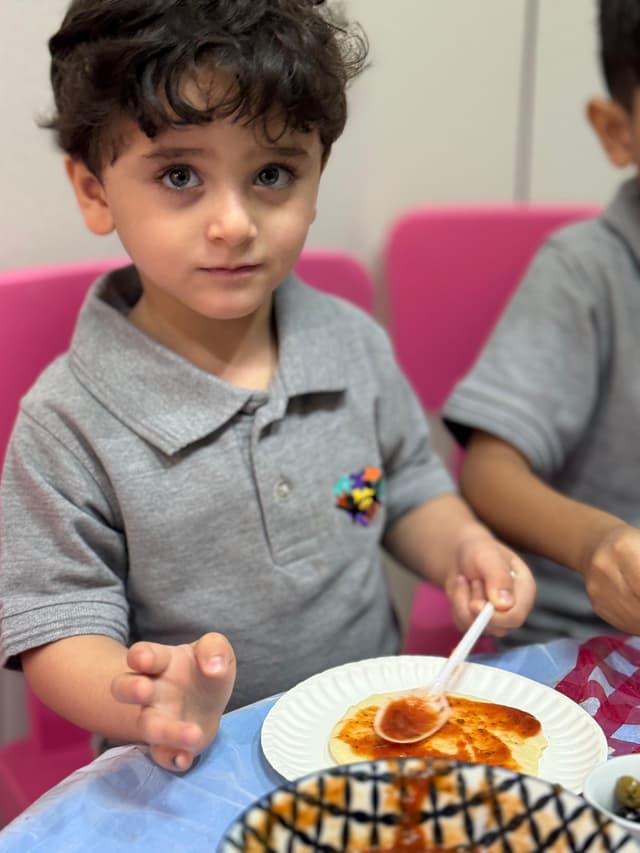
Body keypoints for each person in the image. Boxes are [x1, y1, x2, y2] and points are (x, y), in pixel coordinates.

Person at [0, 0, 535, 774]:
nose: (234, 222)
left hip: (366, 743)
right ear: (94, 191)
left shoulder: (351, 345)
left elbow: (405, 489)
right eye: (180, 174)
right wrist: (143, 695)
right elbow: (59, 628)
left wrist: (463, 546)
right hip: (190, 770)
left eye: (272, 174)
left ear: (317, 180)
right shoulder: (66, 423)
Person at [442, 0, 640, 649]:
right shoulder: (585, 273)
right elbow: (490, 474)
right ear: (618, 131)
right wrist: (599, 544)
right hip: (584, 642)